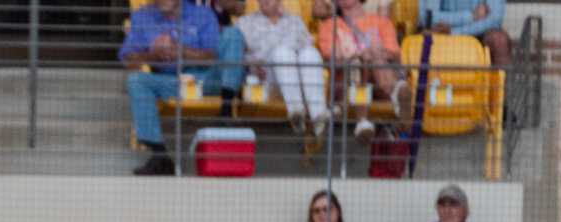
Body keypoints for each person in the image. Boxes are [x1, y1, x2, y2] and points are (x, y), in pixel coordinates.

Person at [121, 0, 229, 176]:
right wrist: (153, 54)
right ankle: (160, 155)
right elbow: (128, 59)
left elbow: (212, 56)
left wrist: (180, 50)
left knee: (220, 70)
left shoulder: (202, 14)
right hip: (169, 81)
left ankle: (226, 116)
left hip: (201, 79)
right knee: (136, 81)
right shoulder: (142, 16)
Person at [235, 0, 332, 139]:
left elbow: (306, 48)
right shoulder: (245, 22)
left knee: (310, 53)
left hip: (297, 79)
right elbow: (238, 55)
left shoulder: (295, 21)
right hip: (267, 78)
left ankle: (318, 115)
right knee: (282, 53)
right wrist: (252, 65)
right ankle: (296, 111)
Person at [314, 0, 411, 128]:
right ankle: (397, 92)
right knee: (360, 63)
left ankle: (398, 95)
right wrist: (360, 56)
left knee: (374, 58)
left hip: (379, 84)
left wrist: (372, 53)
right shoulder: (329, 25)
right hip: (346, 83)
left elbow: (392, 52)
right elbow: (330, 57)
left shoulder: (381, 22)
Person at [421, 0, 509, 69]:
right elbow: (428, 17)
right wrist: (470, 16)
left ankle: (500, 90)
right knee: (425, 34)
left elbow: (494, 20)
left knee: (499, 40)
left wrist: (454, 32)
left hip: (478, 33)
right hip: (441, 32)